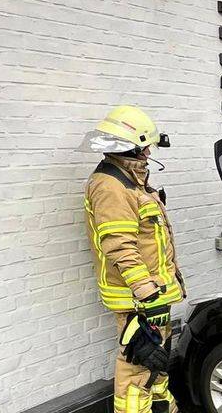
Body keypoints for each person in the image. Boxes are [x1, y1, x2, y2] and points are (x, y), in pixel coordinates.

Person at [78, 106, 184, 413]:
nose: (150, 151)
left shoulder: (131, 182)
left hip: (154, 294)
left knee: (157, 364)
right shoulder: (111, 187)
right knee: (138, 367)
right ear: (131, 146)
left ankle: (165, 408)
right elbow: (120, 246)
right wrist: (147, 293)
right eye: (145, 146)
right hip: (140, 298)